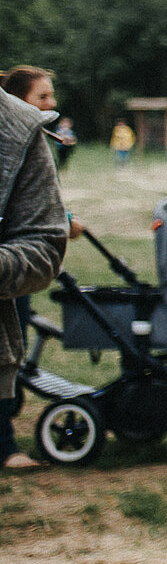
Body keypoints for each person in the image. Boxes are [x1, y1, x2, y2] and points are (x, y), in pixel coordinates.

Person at [0, 73, 70, 470]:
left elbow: (42, 239)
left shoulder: (19, 131)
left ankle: (4, 441)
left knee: (19, 339)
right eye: (43, 95)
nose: (52, 102)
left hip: (8, 287)